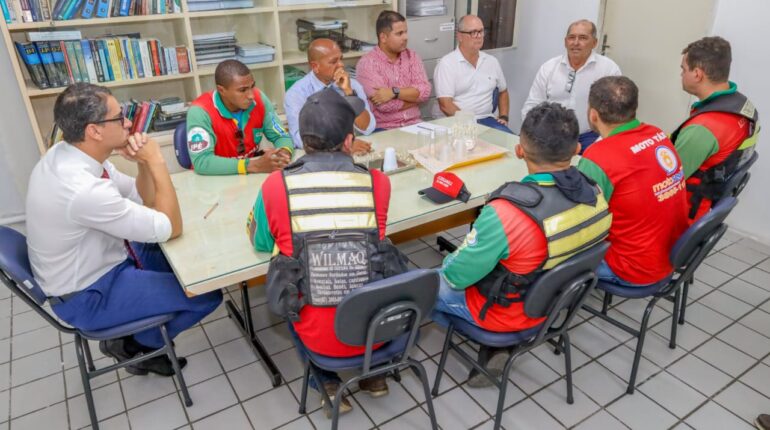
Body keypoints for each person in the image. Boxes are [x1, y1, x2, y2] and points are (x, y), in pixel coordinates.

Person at [26, 83, 223, 376]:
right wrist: (155, 160)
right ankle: (136, 345)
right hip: (90, 294)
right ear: (94, 131)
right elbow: (171, 227)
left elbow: (140, 196)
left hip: (99, 265)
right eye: (120, 118)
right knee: (206, 294)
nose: (129, 123)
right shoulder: (82, 189)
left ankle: (140, 331)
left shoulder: (67, 155)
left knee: (185, 264)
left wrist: (142, 164)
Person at [249, 88, 408, 416]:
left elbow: (262, 243)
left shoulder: (276, 186)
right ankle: (374, 374)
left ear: (304, 142)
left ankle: (326, 381)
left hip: (319, 337)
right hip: (375, 330)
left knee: (296, 299)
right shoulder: (378, 183)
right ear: (349, 141)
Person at [431, 102, 611, 387]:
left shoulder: (507, 213)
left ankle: (384, 361)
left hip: (507, 313)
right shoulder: (597, 193)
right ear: (577, 149)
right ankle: (495, 348)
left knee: (423, 283)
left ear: (519, 150)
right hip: (556, 303)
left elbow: (456, 276)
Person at [578, 76, 689, 287]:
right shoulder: (658, 135)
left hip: (632, 268)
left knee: (548, 254)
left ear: (593, 114)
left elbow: (578, 220)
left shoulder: (598, 157)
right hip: (671, 254)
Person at [672, 36, 759, 221]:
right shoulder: (742, 106)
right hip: (708, 201)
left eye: (683, 69)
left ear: (697, 74)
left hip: (684, 212)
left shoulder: (703, 129)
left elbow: (666, 182)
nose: (681, 74)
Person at [521, 19, 621, 151]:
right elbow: (533, 103)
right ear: (565, 41)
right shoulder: (549, 68)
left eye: (583, 38)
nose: (576, 43)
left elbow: (616, 112)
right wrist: (531, 133)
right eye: (571, 37)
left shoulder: (608, 69)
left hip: (591, 136)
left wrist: (600, 144)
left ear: (594, 43)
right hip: (552, 134)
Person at [186, 59, 293, 175]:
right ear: (222, 90)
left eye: (252, 86)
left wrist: (283, 154)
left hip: (250, 175)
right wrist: (253, 165)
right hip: (214, 179)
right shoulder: (199, 111)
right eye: (242, 90)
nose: (251, 95)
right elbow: (202, 162)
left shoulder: (259, 99)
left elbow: (281, 136)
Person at [284, 38, 375, 153]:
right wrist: (343, 146)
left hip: (355, 151)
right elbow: (299, 139)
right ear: (315, 66)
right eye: (333, 62)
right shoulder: (296, 93)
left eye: (341, 59)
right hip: (319, 157)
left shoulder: (352, 85)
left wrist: (349, 93)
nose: (341, 65)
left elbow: (368, 128)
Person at [433, 14, 511, 134]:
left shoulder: (492, 61)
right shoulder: (447, 64)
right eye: (473, 32)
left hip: (486, 119)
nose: (479, 36)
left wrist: (504, 117)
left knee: (512, 141)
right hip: (455, 121)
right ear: (460, 36)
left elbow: (503, 92)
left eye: (481, 31)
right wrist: (470, 124)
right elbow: (445, 105)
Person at [356, 10, 431, 129]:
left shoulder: (412, 56)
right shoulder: (367, 64)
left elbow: (425, 92)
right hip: (385, 129)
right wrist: (415, 99)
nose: (405, 37)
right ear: (383, 37)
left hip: (415, 124)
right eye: (399, 33)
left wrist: (394, 92)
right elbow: (384, 106)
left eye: (406, 32)